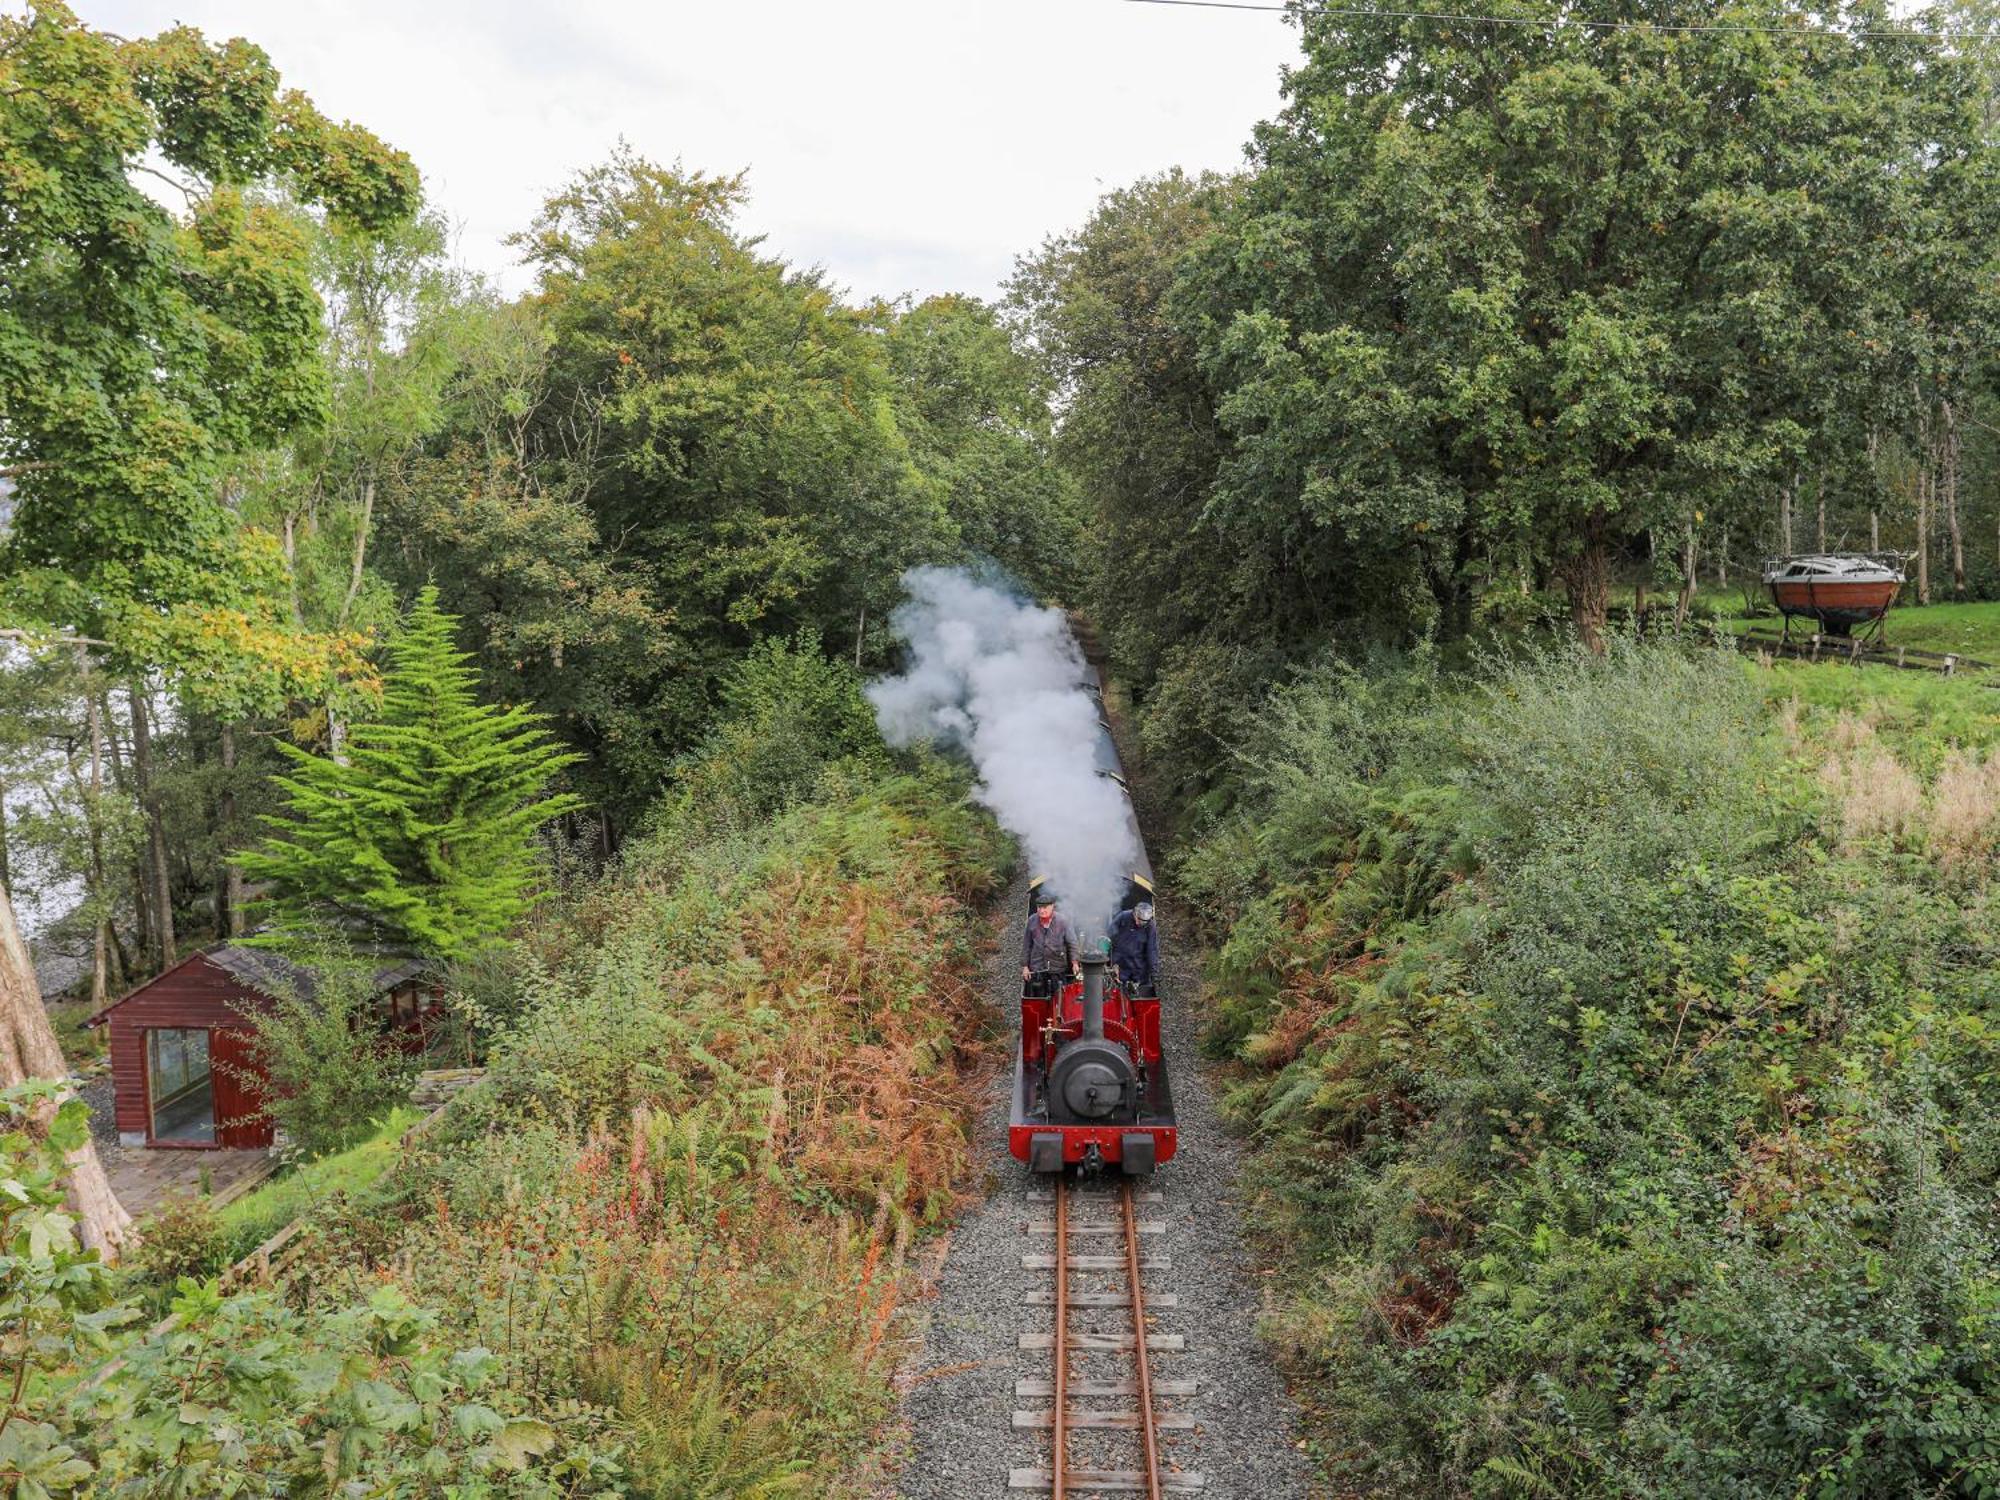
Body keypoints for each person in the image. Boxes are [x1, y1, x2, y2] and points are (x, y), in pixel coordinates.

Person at [1022, 891, 1080, 994]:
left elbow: (1072, 943)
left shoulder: (1063, 921)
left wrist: (1075, 963)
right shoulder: (1032, 921)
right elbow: (1027, 945)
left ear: (1052, 906)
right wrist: (1025, 967)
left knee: (1059, 996)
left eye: (1045, 907)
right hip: (1037, 968)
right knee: (1039, 999)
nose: (1041, 910)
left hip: (1057, 967)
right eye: (1039, 907)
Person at [1109, 899, 1160, 995]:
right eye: (1138, 920)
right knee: (1119, 994)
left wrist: (1154, 972)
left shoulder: (1150, 926)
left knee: (1140, 995)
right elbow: (1109, 935)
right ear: (1134, 913)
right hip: (1121, 965)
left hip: (1139, 967)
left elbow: (1152, 950)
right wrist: (1110, 961)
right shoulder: (1123, 917)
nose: (1139, 923)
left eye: (1143, 922)